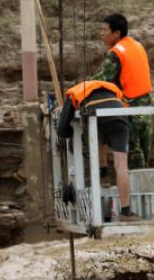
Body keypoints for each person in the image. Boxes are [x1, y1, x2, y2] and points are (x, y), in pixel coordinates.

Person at [57, 80, 139, 221]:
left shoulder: (75, 92)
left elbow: (62, 130)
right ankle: (126, 212)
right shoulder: (112, 89)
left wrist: (71, 130)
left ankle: (103, 174)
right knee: (121, 167)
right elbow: (129, 114)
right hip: (120, 117)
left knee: (94, 129)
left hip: (96, 116)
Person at [92, 13, 153, 170]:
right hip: (147, 112)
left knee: (134, 164)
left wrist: (79, 90)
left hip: (130, 113)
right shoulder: (137, 46)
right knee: (144, 161)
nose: (101, 34)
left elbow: (100, 80)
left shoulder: (116, 53)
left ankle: (102, 169)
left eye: (105, 30)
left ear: (117, 33)